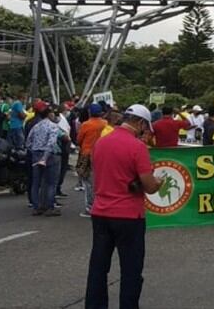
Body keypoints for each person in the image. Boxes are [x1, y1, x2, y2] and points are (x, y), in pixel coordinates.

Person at [85, 104, 162, 309]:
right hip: (128, 215)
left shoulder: (101, 143)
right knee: (131, 270)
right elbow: (149, 186)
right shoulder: (137, 147)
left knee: (98, 268)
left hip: (101, 212)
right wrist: (159, 182)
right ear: (141, 123)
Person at [27, 106, 64, 216]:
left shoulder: (36, 126)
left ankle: (36, 206)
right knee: (51, 182)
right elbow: (51, 143)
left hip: (36, 153)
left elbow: (28, 142)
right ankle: (50, 207)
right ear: (49, 114)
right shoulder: (53, 126)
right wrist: (45, 157)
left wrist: (35, 153)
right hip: (50, 155)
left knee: (36, 182)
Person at [77, 104, 107, 218]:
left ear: (90, 112)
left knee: (88, 182)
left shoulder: (86, 124)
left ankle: (90, 207)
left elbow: (79, 139)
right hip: (102, 154)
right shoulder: (104, 124)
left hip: (87, 154)